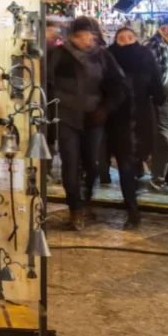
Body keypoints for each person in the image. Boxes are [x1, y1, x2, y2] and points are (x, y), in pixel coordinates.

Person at [49, 16, 128, 230]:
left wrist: (105, 108)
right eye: (84, 35)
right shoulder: (59, 56)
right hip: (66, 118)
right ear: (74, 36)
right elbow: (47, 84)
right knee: (71, 164)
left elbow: (118, 85)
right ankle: (75, 209)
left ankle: (86, 202)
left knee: (93, 163)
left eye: (91, 35)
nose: (89, 40)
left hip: (94, 118)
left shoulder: (103, 56)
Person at [108, 26, 161, 228]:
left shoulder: (145, 56)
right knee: (125, 164)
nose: (126, 41)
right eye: (121, 38)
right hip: (118, 118)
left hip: (141, 117)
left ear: (136, 38)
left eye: (130, 37)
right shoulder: (110, 56)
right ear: (116, 40)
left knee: (136, 161)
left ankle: (132, 200)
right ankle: (132, 210)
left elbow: (156, 85)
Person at [145, 15, 168, 194]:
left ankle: (167, 177)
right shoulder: (154, 44)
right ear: (166, 27)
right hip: (163, 100)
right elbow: (149, 74)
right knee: (166, 140)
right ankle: (159, 178)